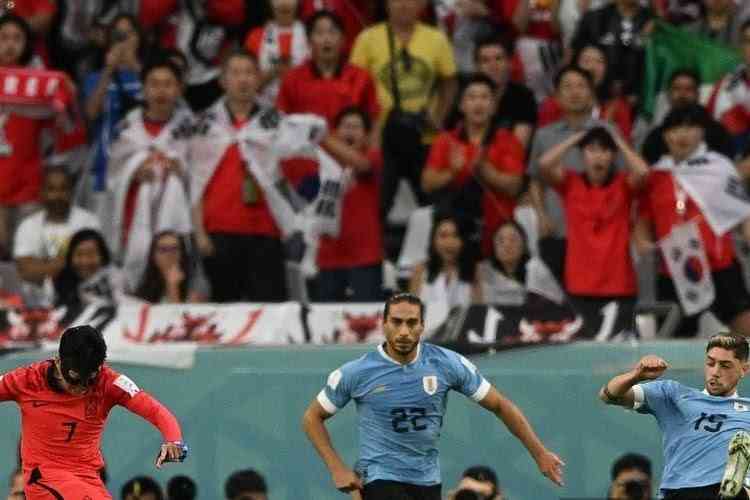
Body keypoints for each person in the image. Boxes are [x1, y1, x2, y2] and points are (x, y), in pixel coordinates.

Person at [302, 292, 564, 499]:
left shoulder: (446, 364)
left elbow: (500, 405)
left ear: (422, 326)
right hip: (380, 478)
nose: (404, 331)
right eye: (396, 322)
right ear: (384, 325)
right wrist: (337, 467)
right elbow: (312, 417)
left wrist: (539, 453)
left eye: (412, 323)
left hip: (427, 480)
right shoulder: (357, 372)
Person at [0, 325, 188, 499]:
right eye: (74, 379)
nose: (81, 388)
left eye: (89, 380)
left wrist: (174, 440)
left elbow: (155, 410)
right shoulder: (27, 380)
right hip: (44, 478)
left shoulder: (110, 383)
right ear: (58, 361)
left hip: (88, 479)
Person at [635, 105, 750, 337]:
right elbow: (644, 221)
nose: (683, 135)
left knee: (746, 334)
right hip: (675, 270)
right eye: (675, 129)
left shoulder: (720, 168)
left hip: (721, 266)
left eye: (690, 128)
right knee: (672, 347)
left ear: (702, 132)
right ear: (665, 135)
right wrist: (643, 242)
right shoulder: (654, 176)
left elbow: (742, 212)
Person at [599, 332, 750, 499]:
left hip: (719, 489)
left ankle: (740, 488)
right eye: (710, 363)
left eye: (725, 366)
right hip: (679, 491)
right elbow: (608, 395)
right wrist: (636, 375)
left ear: (744, 369)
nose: (715, 372)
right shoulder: (673, 394)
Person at [538, 126, 648, 338]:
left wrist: (618, 141)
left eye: (605, 150)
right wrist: (575, 138)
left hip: (619, 284)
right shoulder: (570, 183)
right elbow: (543, 164)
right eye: (591, 149)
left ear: (613, 155)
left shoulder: (623, 184)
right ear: (582, 155)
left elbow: (643, 171)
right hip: (580, 285)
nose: (598, 156)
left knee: (620, 352)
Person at [106, 58, 194, 288]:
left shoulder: (191, 127)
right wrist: (133, 171)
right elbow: (113, 176)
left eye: (168, 84)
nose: (161, 91)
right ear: (143, 89)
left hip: (175, 221)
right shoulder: (127, 127)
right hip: (134, 216)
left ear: (179, 89)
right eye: (154, 84)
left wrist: (180, 170)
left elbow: (201, 176)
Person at [14, 168, 100, 307]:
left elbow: (91, 266)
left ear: (71, 192)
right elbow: (25, 271)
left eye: (63, 189)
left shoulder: (88, 222)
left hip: (82, 302)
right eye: (51, 189)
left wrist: (43, 264)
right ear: (42, 193)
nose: (57, 195)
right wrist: (70, 261)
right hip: (35, 306)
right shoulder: (27, 226)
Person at [245, 0, 310, 107]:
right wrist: (273, 72)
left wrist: (294, 75)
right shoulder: (255, 36)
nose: (284, 4)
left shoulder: (311, 36)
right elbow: (244, 84)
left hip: (303, 107)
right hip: (262, 108)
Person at [409, 212, 477, 311]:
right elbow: (412, 311)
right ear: (433, 240)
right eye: (443, 236)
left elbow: (480, 312)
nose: (449, 242)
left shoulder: (475, 271)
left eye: (455, 235)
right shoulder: (419, 270)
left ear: (463, 240)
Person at [53, 229, 125, 313]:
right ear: (70, 257)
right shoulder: (62, 279)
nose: (84, 261)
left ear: (103, 256)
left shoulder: (114, 278)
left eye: (91, 255)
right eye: (79, 255)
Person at [133, 231, 208, 304]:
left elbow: (182, 315)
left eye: (175, 249)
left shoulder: (196, 281)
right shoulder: (142, 278)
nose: (169, 254)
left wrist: (173, 287)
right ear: (153, 255)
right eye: (163, 249)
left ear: (182, 253)